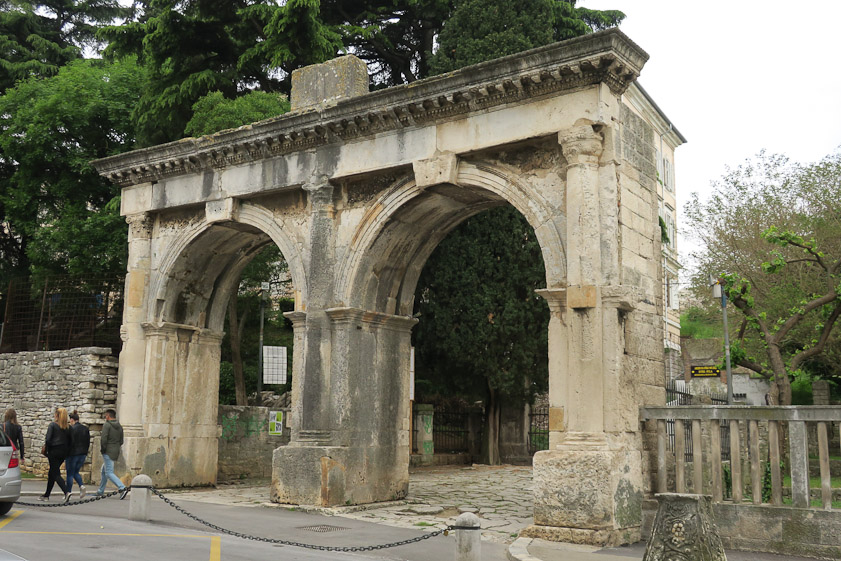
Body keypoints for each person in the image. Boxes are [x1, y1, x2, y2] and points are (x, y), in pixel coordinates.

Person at [40, 407, 71, 503]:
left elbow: (48, 439)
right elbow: (71, 441)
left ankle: (66, 491)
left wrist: (47, 451)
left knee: (56, 473)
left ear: (57, 415)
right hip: (63, 452)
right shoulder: (68, 428)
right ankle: (46, 495)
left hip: (53, 451)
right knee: (52, 473)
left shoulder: (52, 425)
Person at [97, 409, 127, 499]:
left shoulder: (107, 425)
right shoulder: (119, 426)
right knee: (104, 471)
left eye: (105, 416)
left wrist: (103, 449)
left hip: (108, 450)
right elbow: (121, 441)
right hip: (115, 450)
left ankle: (122, 487)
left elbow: (104, 438)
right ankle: (100, 490)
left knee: (109, 472)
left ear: (108, 416)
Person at [66, 411, 90, 499]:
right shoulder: (85, 429)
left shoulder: (71, 429)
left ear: (72, 420)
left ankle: (68, 492)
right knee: (75, 472)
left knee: (70, 474)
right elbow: (88, 442)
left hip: (72, 454)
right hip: (82, 453)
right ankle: (81, 485)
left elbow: (69, 442)